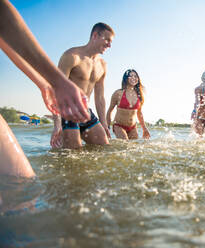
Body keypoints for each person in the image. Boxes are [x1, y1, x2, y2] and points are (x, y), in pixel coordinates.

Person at [0, 0, 90, 178]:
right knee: (20, 186)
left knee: (21, 184)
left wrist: (45, 84)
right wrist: (57, 82)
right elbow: (2, 14)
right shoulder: (72, 56)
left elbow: (4, 37)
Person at [50, 22, 115, 149]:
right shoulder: (72, 56)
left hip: (85, 111)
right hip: (66, 111)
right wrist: (57, 123)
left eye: (111, 41)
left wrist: (104, 123)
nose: (109, 45)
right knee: (74, 153)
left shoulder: (102, 65)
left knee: (103, 146)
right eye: (107, 39)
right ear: (95, 35)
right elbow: (56, 88)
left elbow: (100, 97)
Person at [106, 69, 150, 140]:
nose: (133, 78)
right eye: (131, 76)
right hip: (119, 126)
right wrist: (107, 127)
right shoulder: (118, 93)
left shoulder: (139, 95)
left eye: (135, 76)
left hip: (132, 127)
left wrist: (144, 129)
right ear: (126, 79)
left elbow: (139, 113)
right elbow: (109, 111)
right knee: (125, 144)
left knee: (134, 148)